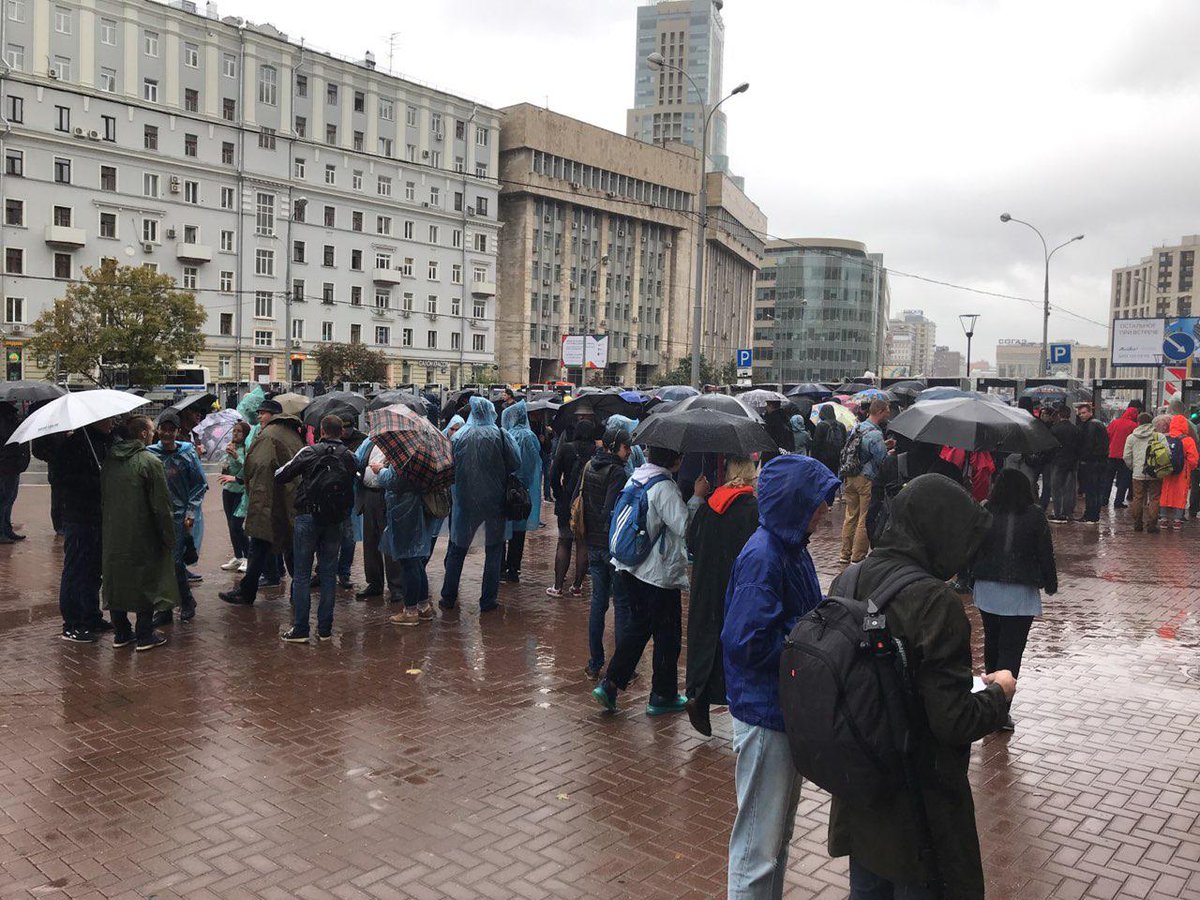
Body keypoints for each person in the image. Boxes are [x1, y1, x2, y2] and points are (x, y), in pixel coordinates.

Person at [827, 474, 1015, 899]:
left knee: (868, 889)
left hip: (863, 786)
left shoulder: (851, 578)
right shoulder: (935, 602)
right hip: (917, 803)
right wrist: (999, 694)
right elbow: (952, 721)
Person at [721, 455, 838, 899]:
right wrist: (807, 648)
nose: (826, 510)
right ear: (796, 503)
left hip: (781, 710)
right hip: (765, 713)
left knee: (773, 839)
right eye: (819, 502)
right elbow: (746, 640)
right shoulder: (764, 556)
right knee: (757, 847)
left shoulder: (790, 548)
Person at [591, 446, 708, 715]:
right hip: (657, 573)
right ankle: (662, 695)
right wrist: (698, 498)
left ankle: (611, 684)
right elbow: (685, 526)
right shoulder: (664, 487)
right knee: (668, 636)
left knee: (639, 626)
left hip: (630, 567)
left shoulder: (638, 476)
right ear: (676, 458)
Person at [969, 469, 1056, 731]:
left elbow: (972, 546)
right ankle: (1001, 709)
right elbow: (1045, 552)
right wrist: (1050, 582)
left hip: (987, 586)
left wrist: (968, 574)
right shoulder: (1034, 515)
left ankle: (989, 704)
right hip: (1020, 590)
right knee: (1012, 650)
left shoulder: (986, 510)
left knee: (992, 645)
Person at [684, 456, 759, 739]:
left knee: (704, 638)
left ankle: (697, 693)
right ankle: (736, 701)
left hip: (705, 583)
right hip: (734, 584)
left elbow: (691, 541)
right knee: (734, 642)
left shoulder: (711, 505)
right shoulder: (752, 509)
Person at [274, 415, 359, 642]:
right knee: (328, 574)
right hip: (335, 519)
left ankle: (301, 629)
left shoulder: (309, 452)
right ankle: (325, 629)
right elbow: (357, 475)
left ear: (322, 430)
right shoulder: (350, 456)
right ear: (341, 432)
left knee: (301, 574)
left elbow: (281, 475)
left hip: (308, 516)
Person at [99, 416, 176, 651]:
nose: (153, 434)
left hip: (113, 530)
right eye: (151, 430)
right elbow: (161, 506)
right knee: (147, 580)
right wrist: (168, 535)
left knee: (116, 579)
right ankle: (144, 633)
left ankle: (121, 631)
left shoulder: (109, 459)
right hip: (144, 531)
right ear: (143, 434)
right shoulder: (150, 462)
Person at [218, 400, 304, 606]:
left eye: (262, 413)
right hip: (289, 498)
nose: (259, 417)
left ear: (273, 415)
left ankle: (248, 592)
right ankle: (297, 591)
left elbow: (260, 466)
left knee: (261, 544)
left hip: (271, 499)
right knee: (286, 546)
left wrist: (256, 498)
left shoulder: (269, 435)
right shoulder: (291, 433)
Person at [37, 419, 115, 641]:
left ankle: (91, 614)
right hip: (79, 516)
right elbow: (61, 479)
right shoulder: (73, 446)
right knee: (77, 570)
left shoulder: (103, 442)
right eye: (107, 420)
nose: (112, 423)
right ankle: (73, 622)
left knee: (94, 570)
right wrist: (94, 481)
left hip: (99, 515)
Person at [440, 396, 518, 613]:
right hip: (495, 501)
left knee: (458, 548)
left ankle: (448, 597)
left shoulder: (459, 437)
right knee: (494, 550)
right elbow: (515, 462)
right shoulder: (501, 435)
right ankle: (488, 600)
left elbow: (448, 465)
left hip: (465, 501)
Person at [577, 426, 633, 679]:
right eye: (626, 447)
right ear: (614, 447)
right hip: (611, 547)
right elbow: (610, 510)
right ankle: (622, 666)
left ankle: (594, 662)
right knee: (621, 604)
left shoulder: (590, 466)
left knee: (598, 603)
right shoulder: (617, 472)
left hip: (593, 545)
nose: (630, 452)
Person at [146, 413, 206, 625]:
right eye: (164, 428)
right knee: (160, 562)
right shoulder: (150, 454)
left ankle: (186, 600)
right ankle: (165, 607)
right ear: (158, 430)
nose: (167, 433)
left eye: (172, 429)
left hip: (179, 517)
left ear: (178, 431)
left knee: (175, 562)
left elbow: (200, 485)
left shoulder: (187, 454)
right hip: (156, 516)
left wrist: (190, 513)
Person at [378, 454, 438, 627]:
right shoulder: (424, 455)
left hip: (404, 511)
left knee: (408, 561)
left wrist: (380, 471)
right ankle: (423, 606)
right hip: (415, 509)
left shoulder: (406, 456)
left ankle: (410, 610)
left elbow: (394, 481)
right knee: (416, 560)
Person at [867, 438, 963, 542]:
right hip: (929, 541)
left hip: (891, 537)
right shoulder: (950, 471)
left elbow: (875, 502)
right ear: (939, 446)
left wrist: (874, 535)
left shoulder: (891, 463)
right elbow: (954, 513)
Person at [547, 419, 597, 597]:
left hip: (567, 501)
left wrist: (559, 494)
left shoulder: (566, 448)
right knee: (583, 544)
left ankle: (558, 586)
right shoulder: (596, 451)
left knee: (564, 541)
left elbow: (553, 475)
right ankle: (577, 586)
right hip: (588, 503)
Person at [354, 429, 405, 602]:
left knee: (389, 541)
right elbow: (359, 460)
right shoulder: (370, 442)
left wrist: (383, 468)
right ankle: (374, 583)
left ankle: (396, 585)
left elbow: (400, 471)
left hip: (388, 495)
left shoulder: (398, 445)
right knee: (370, 540)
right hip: (369, 494)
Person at [839, 399, 890, 565]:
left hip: (850, 476)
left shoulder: (858, 427)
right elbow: (881, 459)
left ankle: (845, 554)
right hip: (866, 479)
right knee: (864, 517)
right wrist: (889, 450)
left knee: (850, 516)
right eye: (887, 411)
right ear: (881, 412)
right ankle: (858, 556)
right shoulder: (875, 434)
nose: (888, 414)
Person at [501, 401, 542, 583]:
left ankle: (500, 566)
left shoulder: (504, 434)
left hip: (505, 487)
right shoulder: (529, 436)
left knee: (503, 527)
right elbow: (534, 461)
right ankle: (513, 569)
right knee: (519, 530)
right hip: (522, 488)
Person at [336, 415, 368, 590]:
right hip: (335, 493)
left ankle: (344, 572)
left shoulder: (361, 440)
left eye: (347, 428)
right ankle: (326, 570)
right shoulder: (331, 440)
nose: (345, 432)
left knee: (348, 536)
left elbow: (361, 464)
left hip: (351, 492)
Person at [1124, 413, 1167, 533]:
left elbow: (1126, 456)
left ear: (1138, 422)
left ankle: (1137, 524)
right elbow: (1167, 453)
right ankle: (1152, 525)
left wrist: (1133, 466)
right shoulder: (1159, 436)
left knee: (1137, 498)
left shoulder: (1131, 437)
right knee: (1154, 498)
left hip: (1138, 473)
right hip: (1155, 472)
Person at [217, 421, 250, 571]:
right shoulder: (230, 448)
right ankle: (238, 556)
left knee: (237, 525)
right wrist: (226, 465)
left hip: (241, 491)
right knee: (230, 525)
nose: (235, 434)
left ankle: (248, 557)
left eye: (239, 431)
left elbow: (248, 468)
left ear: (245, 434)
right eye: (234, 431)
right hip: (228, 490)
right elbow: (228, 470)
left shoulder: (246, 449)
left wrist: (237, 456)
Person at [1159, 413, 1198, 530]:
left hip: (1166, 470)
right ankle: (1177, 520)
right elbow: (1193, 459)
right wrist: (1190, 468)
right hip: (1183, 472)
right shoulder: (1188, 440)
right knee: (1180, 495)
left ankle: (1164, 518)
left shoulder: (1165, 437)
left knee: (1165, 493)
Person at [0, 402, 30, 542]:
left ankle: (6, 529)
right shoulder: (5, 418)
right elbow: (7, 439)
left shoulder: (12, 416)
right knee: (4, 499)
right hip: (7, 465)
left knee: (9, 499)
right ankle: (2, 532)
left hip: (13, 465)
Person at [1076, 403, 1109, 524]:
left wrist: (1083, 458)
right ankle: (1093, 514)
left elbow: (1088, 445)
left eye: (1084, 413)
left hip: (1092, 462)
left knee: (1091, 490)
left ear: (1090, 412)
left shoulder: (1090, 425)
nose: (1081, 415)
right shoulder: (1098, 424)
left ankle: (1091, 515)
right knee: (1096, 490)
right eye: (1080, 413)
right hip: (1100, 462)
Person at [1047, 406, 1081, 523]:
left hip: (1058, 461)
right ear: (1069, 415)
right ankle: (1068, 512)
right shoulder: (1075, 429)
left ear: (1059, 415)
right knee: (1070, 489)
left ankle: (1058, 513)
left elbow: (1050, 447)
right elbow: (1079, 447)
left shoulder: (1054, 429)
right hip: (1072, 462)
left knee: (1057, 488)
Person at [1105, 403, 1140, 508]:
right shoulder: (1134, 426)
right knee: (1123, 481)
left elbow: (1107, 436)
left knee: (1108, 479)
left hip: (1111, 455)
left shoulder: (1114, 423)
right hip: (1125, 457)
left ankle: (1104, 499)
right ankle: (1118, 501)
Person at [810, 404, 847, 477]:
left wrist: (813, 459)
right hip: (837, 457)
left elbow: (816, 444)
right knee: (834, 475)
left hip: (823, 458)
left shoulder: (821, 425)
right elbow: (845, 442)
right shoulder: (841, 425)